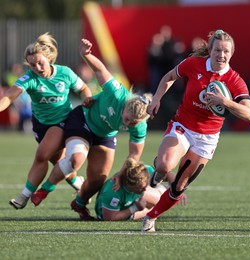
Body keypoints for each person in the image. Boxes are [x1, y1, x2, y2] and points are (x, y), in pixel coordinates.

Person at [141, 29, 250, 232]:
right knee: (165, 166)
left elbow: (249, 115)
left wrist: (225, 102)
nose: (221, 55)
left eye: (226, 51)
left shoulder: (235, 80)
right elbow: (169, 76)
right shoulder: (194, 64)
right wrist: (156, 98)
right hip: (183, 126)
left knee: (179, 187)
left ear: (232, 54)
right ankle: (159, 170)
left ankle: (151, 217)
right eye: (217, 50)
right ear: (210, 50)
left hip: (207, 138)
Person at [30, 38, 152, 220]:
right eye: (126, 119)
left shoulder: (140, 125)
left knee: (98, 179)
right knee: (76, 159)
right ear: (125, 106)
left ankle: (79, 204)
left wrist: (120, 175)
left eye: (133, 123)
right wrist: (86, 54)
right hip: (84, 121)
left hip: (105, 135)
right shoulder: (118, 93)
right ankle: (45, 190)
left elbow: (134, 156)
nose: (128, 124)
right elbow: (100, 70)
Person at [0, 32, 92, 210]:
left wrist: (87, 102)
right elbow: (9, 97)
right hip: (40, 125)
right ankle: (80, 185)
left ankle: (24, 196)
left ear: (49, 58)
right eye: (32, 65)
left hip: (63, 121)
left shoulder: (64, 73)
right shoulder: (30, 78)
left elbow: (84, 88)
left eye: (40, 63)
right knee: (60, 163)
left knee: (42, 155)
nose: (37, 68)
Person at [95, 158, 187, 221]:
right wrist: (135, 208)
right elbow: (110, 217)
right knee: (151, 210)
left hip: (134, 199)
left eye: (145, 186)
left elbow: (168, 174)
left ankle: (160, 190)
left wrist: (177, 189)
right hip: (112, 212)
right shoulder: (113, 191)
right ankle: (144, 209)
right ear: (128, 185)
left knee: (164, 198)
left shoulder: (141, 170)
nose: (144, 189)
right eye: (140, 188)